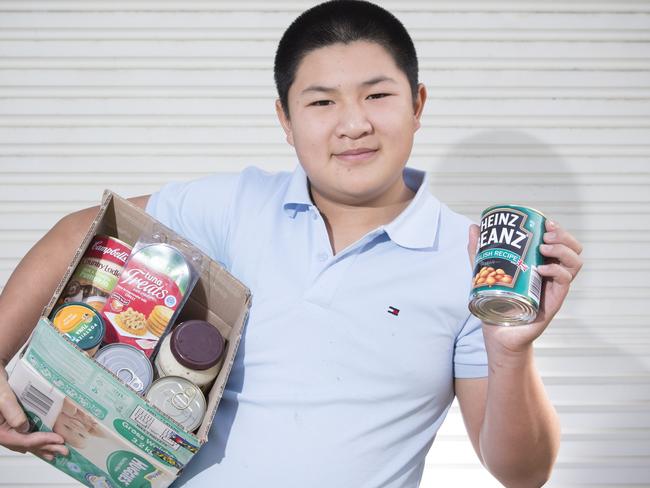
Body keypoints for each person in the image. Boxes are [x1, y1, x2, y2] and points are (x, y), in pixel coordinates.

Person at [0, 1, 583, 487]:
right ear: (285, 119)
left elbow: (522, 473)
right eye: (322, 102)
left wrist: (510, 353)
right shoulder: (238, 206)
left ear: (418, 105)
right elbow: (82, 230)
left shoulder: (471, 260)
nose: (352, 124)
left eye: (377, 96)